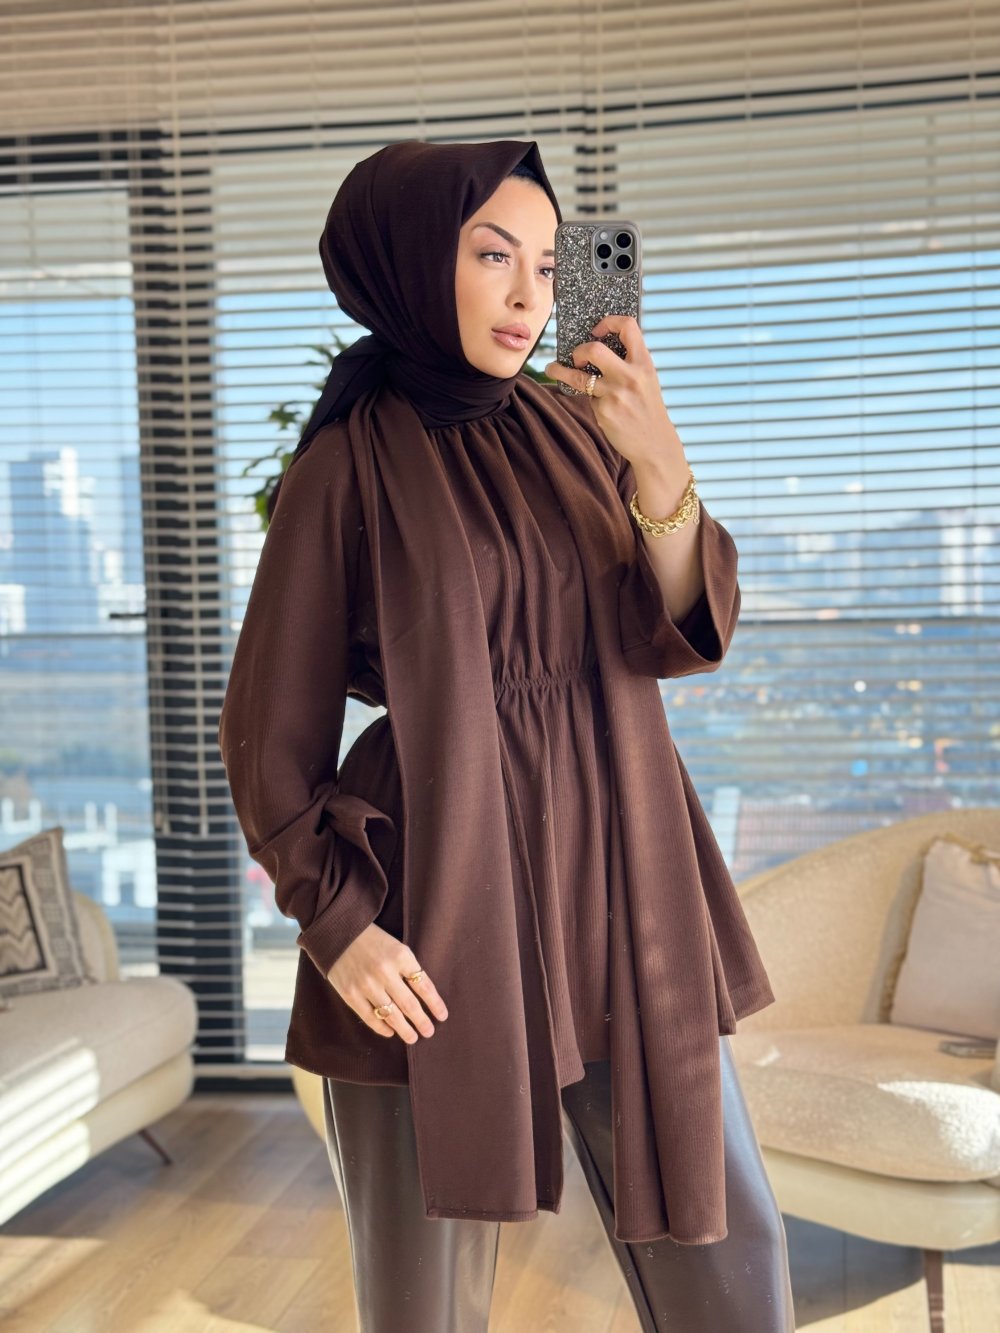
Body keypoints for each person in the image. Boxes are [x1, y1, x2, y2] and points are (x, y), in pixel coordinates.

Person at [218, 139, 797, 1333]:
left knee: (731, 1249)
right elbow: (268, 727)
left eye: (545, 261)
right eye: (493, 256)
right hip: (436, 907)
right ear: (407, 260)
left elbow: (675, 635)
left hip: (622, 878)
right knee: (424, 1299)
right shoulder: (343, 467)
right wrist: (339, 925)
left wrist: (658, 460)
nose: (530, 294)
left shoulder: (574, 427)